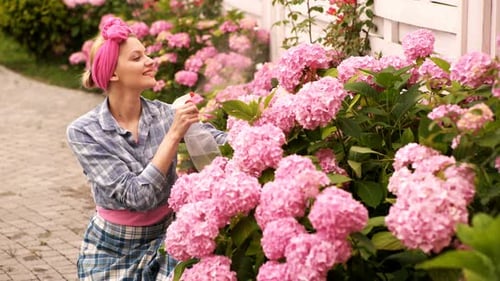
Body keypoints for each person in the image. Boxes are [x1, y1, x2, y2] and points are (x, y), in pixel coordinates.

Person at [66, 16, 226, 280]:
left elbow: (219, 141)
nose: (151, 61)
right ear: (114, 73)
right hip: (111, 250)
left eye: (147, 54)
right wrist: (174, 134)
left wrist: (260, 130)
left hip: (167, 238)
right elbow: (138, 198)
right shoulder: (85, 132)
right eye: (137, 57)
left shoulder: (165, 114)